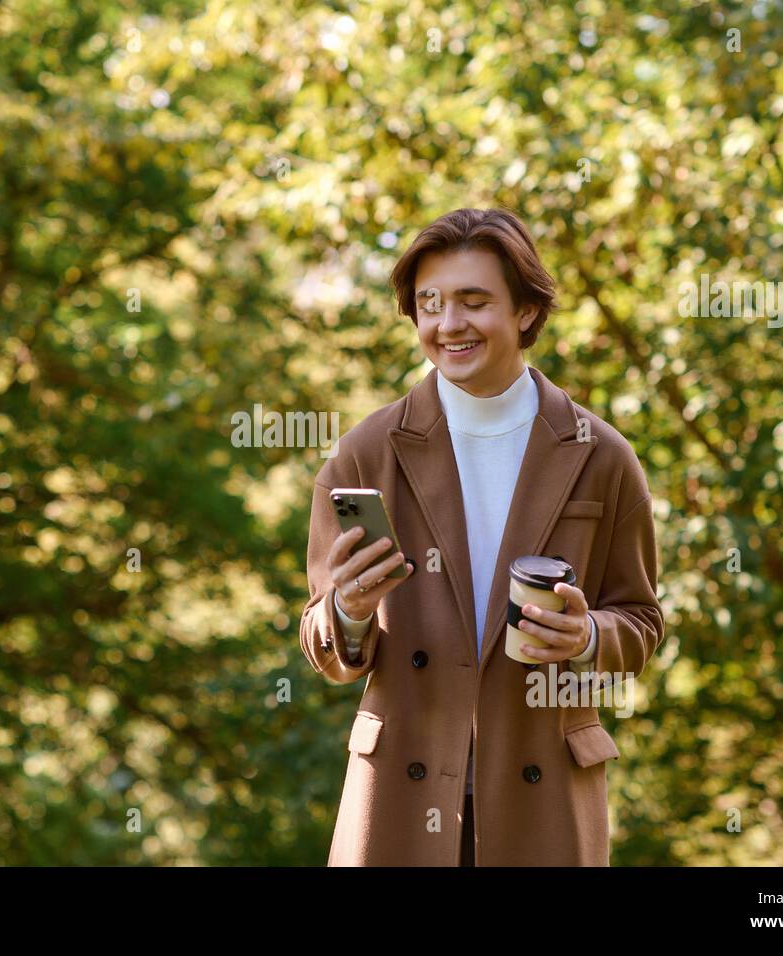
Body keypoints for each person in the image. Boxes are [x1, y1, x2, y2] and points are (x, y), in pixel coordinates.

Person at [298, 207, 665, 866]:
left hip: (543, 791)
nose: (448, 324)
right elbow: (324, 646)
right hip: (400, 797)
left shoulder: (602, 455)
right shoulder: (363, 454)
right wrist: (348, 612)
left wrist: (588, 638)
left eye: (474, 302)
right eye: (430, 303)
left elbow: (641, 621)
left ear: (525, 311)